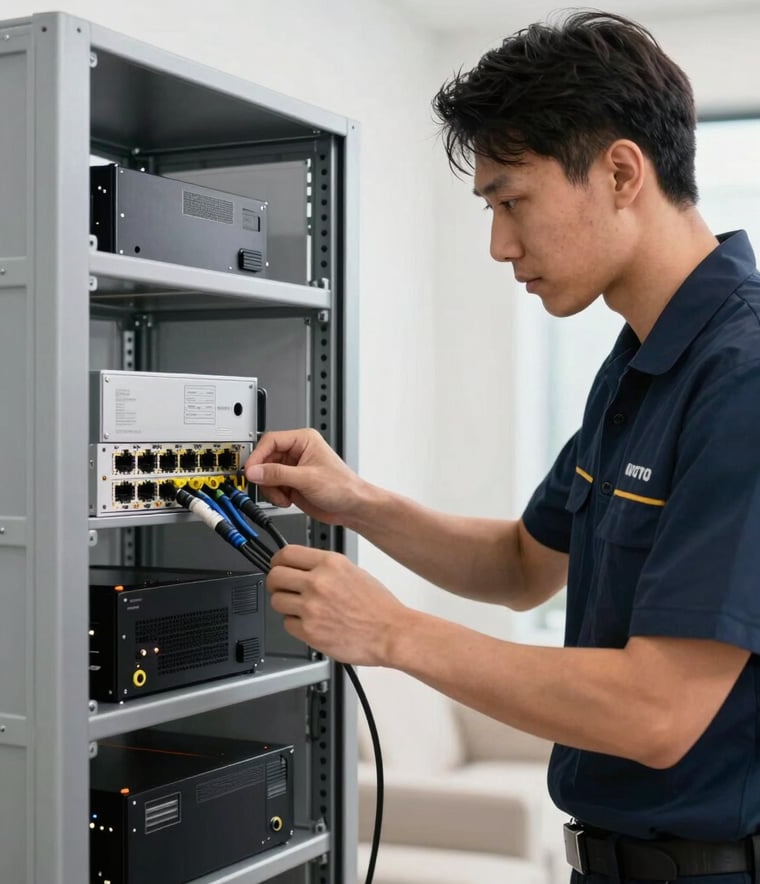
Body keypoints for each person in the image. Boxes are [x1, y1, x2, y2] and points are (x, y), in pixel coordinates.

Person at [244, 11, 760, 883]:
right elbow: (526, 562)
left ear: (622, 171)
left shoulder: (740, 377)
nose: (498, 245)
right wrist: (356, 500)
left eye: (512, 200)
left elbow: (659, 711)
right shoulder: (639, 358)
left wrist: (393, 633)